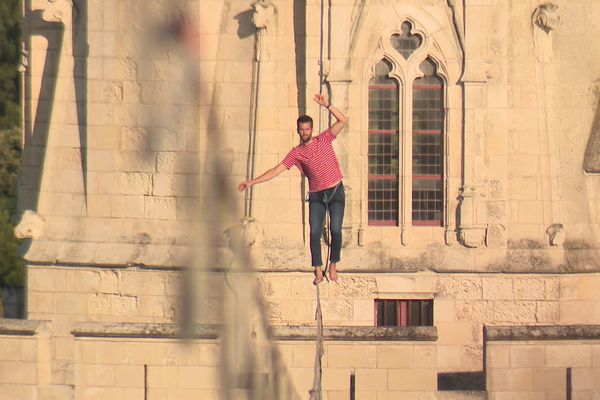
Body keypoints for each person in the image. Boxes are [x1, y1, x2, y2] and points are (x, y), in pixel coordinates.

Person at [238, 94, 347, 284]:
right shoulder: (296, 153)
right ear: (298, 130)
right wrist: (251, 182)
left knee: (336, 230)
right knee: (314, 232)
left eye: (307, 129)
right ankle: (318, 270)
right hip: (316, 195)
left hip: (335, 190)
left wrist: (327, 105)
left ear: (311, 129)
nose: (305, 132)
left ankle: (333, 264)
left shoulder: (324, 139)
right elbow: (276, 170)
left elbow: (343, 120)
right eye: (302, 129)